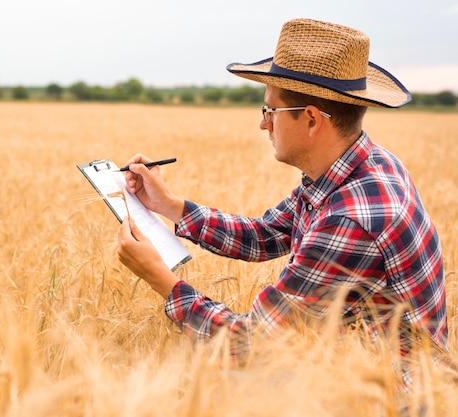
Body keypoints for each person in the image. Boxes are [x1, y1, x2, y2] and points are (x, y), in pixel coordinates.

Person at [116, 18, 448, 363]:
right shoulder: (363, 165)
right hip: (362, 374)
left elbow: (250, 345)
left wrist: (161, 280)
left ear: (311, 120)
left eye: (269, 110)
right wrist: (170, 206)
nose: (263, 123)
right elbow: (266, 234)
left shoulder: (350, 219)